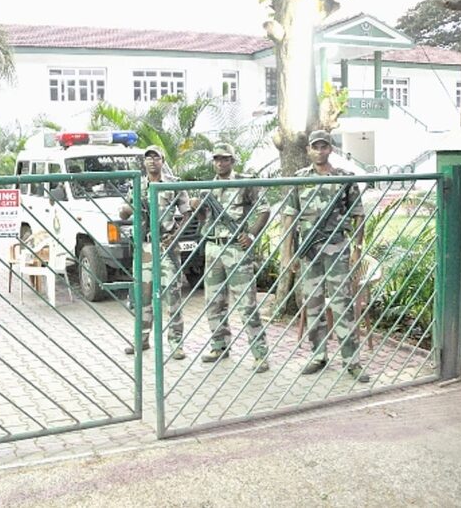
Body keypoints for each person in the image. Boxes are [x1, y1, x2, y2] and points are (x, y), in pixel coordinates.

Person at [281, 130, 370, 383]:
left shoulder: (344, 178)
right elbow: (289, 216)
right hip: (309, 251)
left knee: (342, 304)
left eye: (324, 147)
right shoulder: (300, 179)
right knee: (313, 304)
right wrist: (287, 254)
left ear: (331, 149)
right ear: (309, 150)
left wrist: (357, 249)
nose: (320, 151)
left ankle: (352, 361)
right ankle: (318, 355)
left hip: (336, 246)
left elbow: (359, 213)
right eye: (315, 147)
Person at [193, 143, 271, 372]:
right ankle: (220, 345)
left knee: (246, 304)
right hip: (213, 248)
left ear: (232, 161)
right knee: (213, 302)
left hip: (236, 248)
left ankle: (260, 353)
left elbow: (264, 209)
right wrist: (198, 207)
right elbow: (201, 220)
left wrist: (252, 234)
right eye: (217, 159)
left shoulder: (244, 182)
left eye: (225, 159)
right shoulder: (208, 188)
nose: (220, 163)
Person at [120, 145, 189, 360]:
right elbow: (123, 213)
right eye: (147, 158)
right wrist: (130, 206)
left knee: (172, 295)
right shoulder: (137, 185)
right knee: (143, 295)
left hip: (166, 246)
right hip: (145, 247)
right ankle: (141, 340)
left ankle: (176, 343)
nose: (151, 161)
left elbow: (187, 213)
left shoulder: (173, 184)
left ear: (162, 160)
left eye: (155, 157)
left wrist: (174, 235)